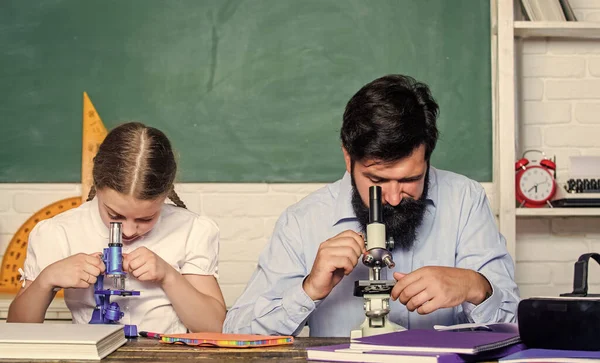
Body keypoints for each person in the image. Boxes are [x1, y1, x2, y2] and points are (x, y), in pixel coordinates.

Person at [223, 74, 519, 337]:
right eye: (377, 180)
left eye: (410, 179)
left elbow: (517, 326)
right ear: (348, 158)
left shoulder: (465, 201)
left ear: (427, 158)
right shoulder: (302, 222)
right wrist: (309, 289)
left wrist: (476, 287)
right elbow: (237, 332)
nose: (391, 198)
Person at [8, 122, 226, 333]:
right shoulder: (58, 232)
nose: (129, 232)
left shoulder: (193, 230)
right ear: (98, 184)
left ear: (166, 192)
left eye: (146, 218)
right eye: (115, 215)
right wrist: (46, 280)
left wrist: (169, 276)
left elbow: (214, 327)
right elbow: (17, 330)